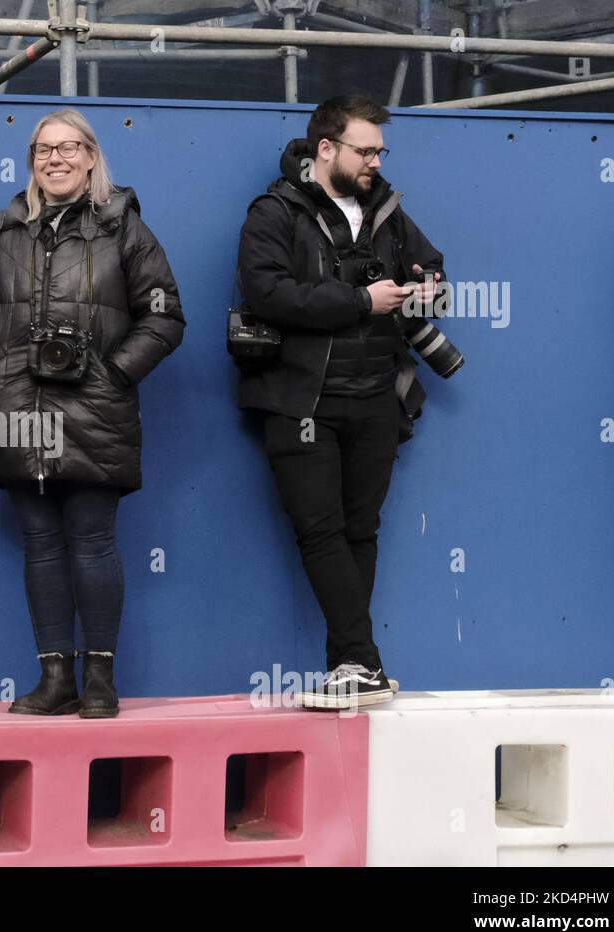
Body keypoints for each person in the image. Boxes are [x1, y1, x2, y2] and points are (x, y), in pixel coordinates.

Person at [0, 109, 184, 718]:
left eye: (67, 148)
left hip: (95, 410)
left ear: (90, 156)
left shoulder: (125, 229)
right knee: (41, 546)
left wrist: (112, 373)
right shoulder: (4, 230)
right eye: (42, 150)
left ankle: (100, 681)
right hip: (15, 411)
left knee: (92, 543)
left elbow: (164, 316)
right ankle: (54, 680)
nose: (54, 159)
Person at [236, 94, 450, 709]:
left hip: (378, 398)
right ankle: (362, 662)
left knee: (362, 530)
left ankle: (349, 667)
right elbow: (269, 293)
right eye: (365, 150)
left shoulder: (387, 210)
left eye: (380, 151)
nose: (375, 162)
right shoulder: (275, 211)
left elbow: (434, 269)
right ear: (325, 149)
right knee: (321, 530)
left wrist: (426, 287)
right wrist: (359, 302)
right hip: (300, 400)